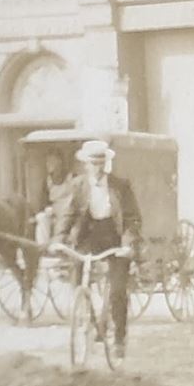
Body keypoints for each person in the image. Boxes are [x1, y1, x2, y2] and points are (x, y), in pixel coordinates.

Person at [49, 138, 141, 357]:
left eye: (101, 163)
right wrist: (59, 239)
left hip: (115, 236)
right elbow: (68, 214)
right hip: (89, 235)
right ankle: (87, 319)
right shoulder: (78, 185)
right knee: (77, 275)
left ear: (106, 164)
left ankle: (119, 337)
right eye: (93, 163)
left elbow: (131, 218)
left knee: (118, 290)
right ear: (85, 165)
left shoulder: (121, 186)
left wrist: (128, 245)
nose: (97, 168)